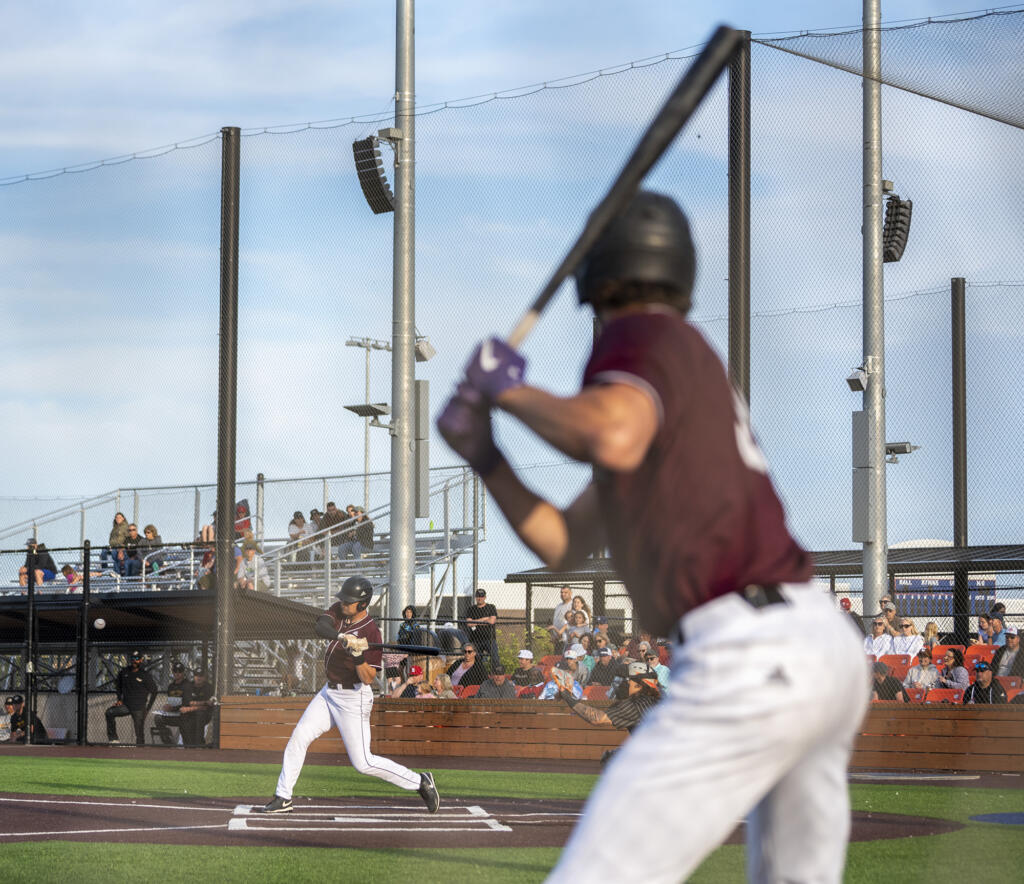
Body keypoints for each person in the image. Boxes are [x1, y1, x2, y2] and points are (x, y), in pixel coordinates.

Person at [437, 189, 869, 882]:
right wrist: (487, 455)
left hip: (748, 654)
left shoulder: (641, 335)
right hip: (815, 648)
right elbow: (564, 544)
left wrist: (508, 392)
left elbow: (608, 432)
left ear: (596, 278)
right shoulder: (679, 370)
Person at [256, 575, 439, 815]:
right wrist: (342, 638)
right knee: (298, 738)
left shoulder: (371, 633)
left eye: (349, 601)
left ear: (362, 604)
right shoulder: (339, 612)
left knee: (363, 763)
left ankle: (420, 782)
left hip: (354, 698)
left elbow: (368, 678)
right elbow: (320, 626)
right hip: (328, 693)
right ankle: (283, 796)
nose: (343, 603)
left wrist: (358, 655)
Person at [558, 661, 662, 765]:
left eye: (626, 680)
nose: (621, 684)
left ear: (639, 685)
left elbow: (597, 718)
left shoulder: (637, 704)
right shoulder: (656, 699)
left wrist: (567, 697)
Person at [105, 651, 158, 745]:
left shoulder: (145, 675)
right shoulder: (124, 672)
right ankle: (113, 739)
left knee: (139, 734)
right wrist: (119, 700)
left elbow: (154, 691)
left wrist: (148, 708)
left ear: (141, 660)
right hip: (126, 706)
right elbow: (118, 686)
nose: (134, 661)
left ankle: (140, 752)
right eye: (133, 658)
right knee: (109, 712)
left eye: (137, 659)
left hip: (139, 708)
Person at [153, 661, 192, 745]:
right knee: (158, 718)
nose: (177, 673)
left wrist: (173, 708)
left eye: (180, 671)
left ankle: (188, 746)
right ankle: (167, 742)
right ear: (173, 672)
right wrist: (167, 707)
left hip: (184, 715)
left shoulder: (187, 685)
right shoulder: (171, 686)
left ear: (183, 672)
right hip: (172, 714)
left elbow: (187, 702)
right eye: (175, 671)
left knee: (185, 720)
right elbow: (171, 701)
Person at [179, 668, 216, 747]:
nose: (198, 678)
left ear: (205, 677)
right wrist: (204, 702)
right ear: (194, 676)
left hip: (204, 714)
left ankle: (199, 745)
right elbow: (190, 703)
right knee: (183, 717)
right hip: (190, 713)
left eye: (201, 676)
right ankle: (187, 745)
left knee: (200, 714)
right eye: (196, 675)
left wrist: (190, 708)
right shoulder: (189, 686)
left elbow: (207, 706)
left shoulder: (208, 687)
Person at [464, 588, 499, 666]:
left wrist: (475, 622)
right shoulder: (471, 609)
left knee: (495, 659)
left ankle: (495, 675)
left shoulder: (491, 607)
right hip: (475, 640)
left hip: (489, 639)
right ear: (475, 597)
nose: (479, 598)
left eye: (481, 596)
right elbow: (469, 623)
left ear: (485, 597)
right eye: (478, 596)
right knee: (477, 661)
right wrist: (484, 619)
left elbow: (492, 621)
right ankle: (479, 677)